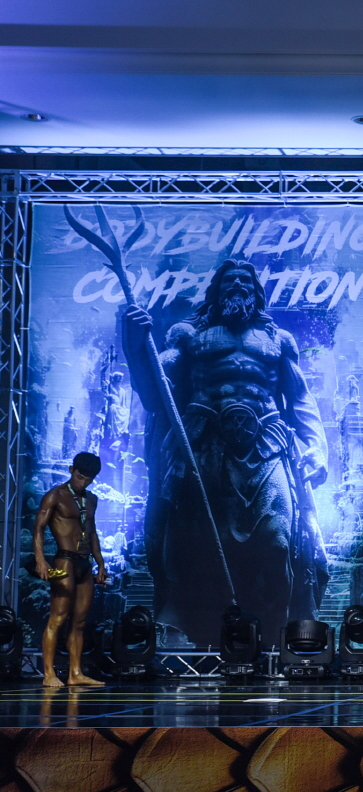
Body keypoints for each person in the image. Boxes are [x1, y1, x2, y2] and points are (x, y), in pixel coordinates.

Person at [122, 259, 329, 640]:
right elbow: (155, 392)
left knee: (279, 542)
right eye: (229, 281)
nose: (237, 286)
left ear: (255, 292)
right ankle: (204, 637)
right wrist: (134, 345)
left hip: (266, 444)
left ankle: (275, 637)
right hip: (204, 444)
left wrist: (316, 447)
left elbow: (301, 398)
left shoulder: (278, 341)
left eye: (244, 281)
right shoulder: (189, 336)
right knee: (195, 548)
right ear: (216, 291)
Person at [32, 452, 107, 688]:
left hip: (85, 563)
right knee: (58, 617)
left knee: (80, 621)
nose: (82, 483)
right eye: (79, 477)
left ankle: (75, 673)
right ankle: (49, 674)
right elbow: (38, 528)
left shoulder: (92, 499)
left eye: (88, 480)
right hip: (64, 561)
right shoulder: (55, 496)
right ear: (71, 470)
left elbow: (92, 532)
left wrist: (100, 563)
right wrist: (40, 560)